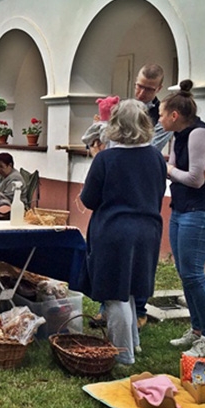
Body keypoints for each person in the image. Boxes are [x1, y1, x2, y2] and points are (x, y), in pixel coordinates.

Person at [79, 99, 167, 366]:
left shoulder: (106, 159)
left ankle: (121, 356)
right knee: (130, 288)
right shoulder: (156, 157)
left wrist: (96, 160)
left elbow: (89, 199)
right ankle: (134, 344)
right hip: (148, 231)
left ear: (116, 125)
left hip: (114, 231)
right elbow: (157, 193)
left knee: (114, 293)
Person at [160, 80, 205, 358]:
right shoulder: (179, 136)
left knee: (194, 275)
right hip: (182, 209)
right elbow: (181, 169)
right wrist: (170, 168)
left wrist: (164, 168)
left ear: (174, 115)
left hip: (202, 212)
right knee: (185, 274)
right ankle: (197, 330)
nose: (160, 118)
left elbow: (195, 179)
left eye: (162, 114)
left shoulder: (199, 135)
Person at [133, 63, 173, 151]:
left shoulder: (163, 116)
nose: (142, 93)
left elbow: (152, 149)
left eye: (149, 89)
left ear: (159, 88)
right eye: (139, 86)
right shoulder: (123, 107)